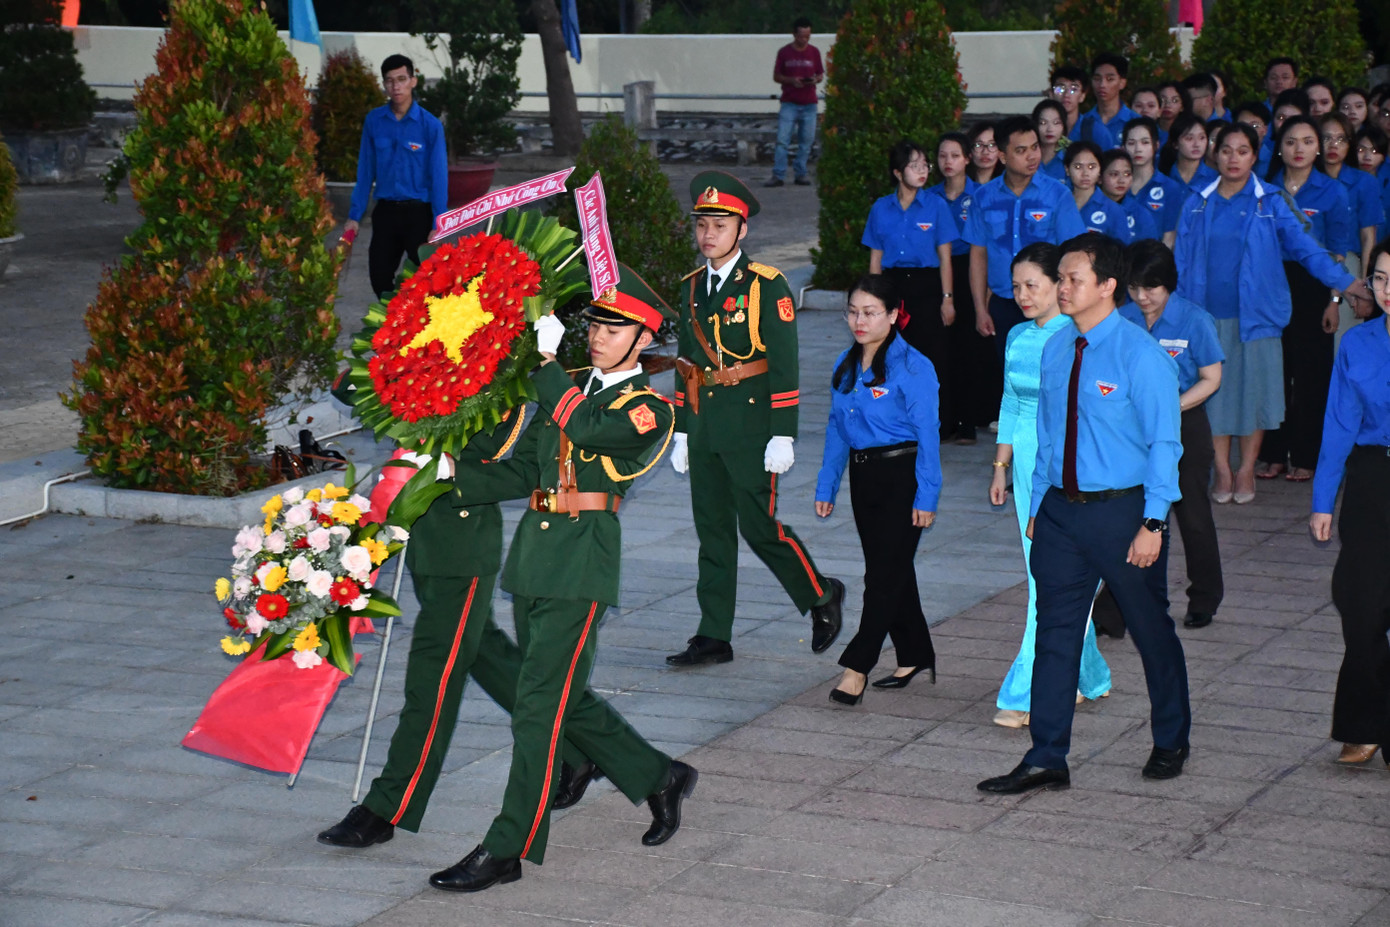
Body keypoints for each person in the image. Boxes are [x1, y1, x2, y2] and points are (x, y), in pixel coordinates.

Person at [426, 266, 697, 892]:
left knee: (537, 709)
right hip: (534, 559)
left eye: (614, 328)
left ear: (644, 339)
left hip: (581, 566)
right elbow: (526, 470)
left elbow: (590, 430)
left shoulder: (649, 409)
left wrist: (546, 366)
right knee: (554, 693)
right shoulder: (569, 385)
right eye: (595, 325)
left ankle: (507, 847)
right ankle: (656, 775)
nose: (598, 336)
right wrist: (449, 476)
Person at [976, 232, 1188, 795]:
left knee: (1150, 629)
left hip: (1123, 513)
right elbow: (1048, 432)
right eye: (1061, 278)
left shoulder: (1140, 355)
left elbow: (1166, 444)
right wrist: (1039, 501)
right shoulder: (1056, 347)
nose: (1062, 288)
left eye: (1073, 279)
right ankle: (1046, 755)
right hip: (1061, 514)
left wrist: (1154, 521)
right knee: (1055, 632)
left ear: (1107, 286)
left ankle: (1171, 739)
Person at [667, 171, 845, 667]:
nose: (708, 235)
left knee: (759, 526)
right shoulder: (691, 288)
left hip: (751, 426)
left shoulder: (767, 284)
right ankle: (713, 634)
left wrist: (783, 433)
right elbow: (686, 364)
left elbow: (785, 364)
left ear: (741, 230)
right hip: (704, 424)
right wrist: (682, 431)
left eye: (720, 225)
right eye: (702, 224)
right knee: (712, 532)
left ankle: (821, 593)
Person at [1172, 123, 1363, 506]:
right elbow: (1179, 259)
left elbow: (1307, 248)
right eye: (1226, 150)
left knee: (1254, 397)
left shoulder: (1271, 200)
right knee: (1214, 399)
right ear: (1214, 154)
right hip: (1206, 318)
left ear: (1255, 156)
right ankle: (1223, 469)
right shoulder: (1197, 200)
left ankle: (1246, 469)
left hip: (1258, 318)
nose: (1234, 158)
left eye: (1243, 151)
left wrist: (1345, 283)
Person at [989, 243, 1111, 728]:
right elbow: (1009, 401)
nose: (1022, 295)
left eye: (1031, 285)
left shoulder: (1077, 335)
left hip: (1067, 468)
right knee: (1045, 573)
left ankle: (1027, 690)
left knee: (1052, 579)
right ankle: (1088, 674)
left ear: (1058, 285)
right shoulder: (1017, 335)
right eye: (1015, 287)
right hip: (1024, 466)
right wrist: (1000, 465)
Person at [815, 274, 942, 705]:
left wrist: (927, 495)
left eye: (870, 313)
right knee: (892, 569)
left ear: (892, 315)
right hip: (863, 476)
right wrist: (827, 484)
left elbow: (928, 436)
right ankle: (915, 653)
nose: (859, 321)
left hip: (902, 476)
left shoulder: (914, 367)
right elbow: (836, 428)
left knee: (882, 576)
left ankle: (857, 667)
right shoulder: (845, 363)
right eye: (853, 312)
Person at [1309, 242, 1390, 767]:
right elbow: (1338, 424)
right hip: (1372, 478)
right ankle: (1364, 721)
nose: (1387, 289)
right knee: (1359, 603)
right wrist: (1323, 500)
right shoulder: (1357, 343)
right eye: (1379, 278)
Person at [1120, 240, 1225, 629]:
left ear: (1169, 284)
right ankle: (1130, 604)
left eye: (1151, 288)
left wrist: (1170, 408)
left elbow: (1211, 378)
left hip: (1185, 425)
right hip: (1135, 430)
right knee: (1137, 515)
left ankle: (1204, 598)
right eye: (1134, 288)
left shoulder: (1194, 319)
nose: (1142, 297)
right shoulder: (1123, 318)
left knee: (1192, 516)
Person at [1256, 116, 1356, 484]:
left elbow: (1338, 252)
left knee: (1313, 377)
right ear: (1279, 148)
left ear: (1318, 148)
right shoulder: (1264, 189)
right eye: (1290, 141)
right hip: (1271, 287)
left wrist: (1334, 300)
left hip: (1315, 288)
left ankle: (1306, 456)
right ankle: (1272, 455)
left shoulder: (1333, 191)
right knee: (1274, 373)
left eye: (1308, 141)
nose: (1299, 149)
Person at [965, 115, 1086, 376]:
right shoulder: (983, 197)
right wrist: (980, 309)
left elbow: (1074, 253)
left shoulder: (1057, 195)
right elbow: (978, 256)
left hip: (1050, 304)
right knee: (1011, 376)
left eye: (1035, 147)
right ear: (1002, 156)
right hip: (1004, 303)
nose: (1032, 156)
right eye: (1021, 150)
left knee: (1053, 375)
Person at [862, 140, 958, 422]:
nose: (922, 171)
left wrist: (948, 299)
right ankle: (893, 419)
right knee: (891, 355)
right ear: (897, 172)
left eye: (925, 165)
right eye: (914, 166)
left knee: (931, 356)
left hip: (927, 287)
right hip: (892, 287)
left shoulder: (936, 206)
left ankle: (936, 421)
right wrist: (872, 303)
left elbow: (946, 258)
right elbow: (875, 259)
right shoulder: (881, 208)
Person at [344, 54, 448, 300]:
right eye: (390, 81)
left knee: (428, 285)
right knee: (379, 278)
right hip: (386, 213)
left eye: (401, 79)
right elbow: (365, 171)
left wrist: (439, 224)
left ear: (413, 81)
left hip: (419, 215)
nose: (396, 86)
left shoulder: (430, 125)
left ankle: (414, 322)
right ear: (384, 84)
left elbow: (439, 177)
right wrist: (354, 217)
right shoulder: (374, 121)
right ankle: (394, 319)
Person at [927, 132, 991, 445]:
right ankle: (944, 420)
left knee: (969, 349)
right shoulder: (930, 197)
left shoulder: (981, 195)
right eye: (942, 156)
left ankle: (968, 421)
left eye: (955, 155)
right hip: (939, 273)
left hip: (970, 272)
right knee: (940, 350)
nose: (948, 162)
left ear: (967, 159)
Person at [1320, 112, 1384, 273]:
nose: (1333, 145)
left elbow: (1368, 237)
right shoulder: (1308, 180)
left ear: (1350, 145)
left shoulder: (1364, 182)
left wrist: (1365, 277)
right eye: (1326, 138)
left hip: (1348, 261)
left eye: (1341, 139)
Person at [767, 17, 823, 188]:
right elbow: (776, 76)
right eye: (801, 36)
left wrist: (814, 80)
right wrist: (791, 80)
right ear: (794, 34)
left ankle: (801, 173)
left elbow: (820, 74)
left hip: (809, 103)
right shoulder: (784, 52)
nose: (804, 40)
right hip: (789, 102)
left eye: (807, 36)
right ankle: (778, 174)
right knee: (782, 140)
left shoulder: (814, 52)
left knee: (806, 141)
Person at [1124, 117, 1183, 248]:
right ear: (1123, 147)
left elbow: (1169, 237)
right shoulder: (1115, 185)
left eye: (1145, 142)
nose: (1138, 149)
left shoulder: (1170, 188)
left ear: (1156, 145)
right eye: (1131, 143)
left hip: (1154, 258)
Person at [1066, 141, 1131, 242]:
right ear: (1067, 169)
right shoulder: (1059, 203)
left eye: (1091, 167)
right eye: (1078, 167)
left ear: (1100, 170)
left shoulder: (1114, 211)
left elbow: (1121, 249)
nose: (1085, 173)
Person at [1074, 53, 1136, 146]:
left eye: (1110, 79)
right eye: (1097, 79)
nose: (1102, 85)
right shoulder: (1082, 122)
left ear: (1122, 83)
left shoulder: (1136, 121)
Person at [1100, 149, 1160, 243]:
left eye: (1127, 174)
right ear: (1099, 177)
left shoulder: (1141, 214)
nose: (1121, 180)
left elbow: (1150, 249)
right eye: (1114, 174)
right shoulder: (1088, 206)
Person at [1050, 65, 1113, 149]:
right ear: (1051, 94)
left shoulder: (1096, 131)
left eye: (1073, 89)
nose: (1066, 94)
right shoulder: (1042, 130)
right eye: (1060, 88)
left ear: (1082, 96)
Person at [1160, 114, 1217, 191]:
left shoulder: (1215, 179)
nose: (1197, 144)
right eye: (1189, 138)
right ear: (1175, 144)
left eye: (1202, 138)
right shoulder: (1162, 176)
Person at [1034, 99, 1069, 181]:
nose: (1050, 129)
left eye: (1056, 123)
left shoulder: (1070, 157)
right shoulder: (1028, 157)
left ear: (1064, 127)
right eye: (1043, 123)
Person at [1156, 80, 1189, 145]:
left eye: (1175, 100)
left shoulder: (1187, 132)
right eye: (1162, 99)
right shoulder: (1147, 130)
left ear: (1182, 106)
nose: (1167, 105)